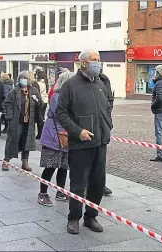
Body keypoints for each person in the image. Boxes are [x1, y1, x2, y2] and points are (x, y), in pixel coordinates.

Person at [55, 48, 112, 235]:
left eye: (99, 59)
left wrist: (107, 125)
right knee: (78, 183)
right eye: (94, 59)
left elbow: (107, 106)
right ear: (84, 63)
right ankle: (73, 218)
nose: (98, 62)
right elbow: (60, 113)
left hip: (100, 142)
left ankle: (91, 217)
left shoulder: (101, 83)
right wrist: (78, 131)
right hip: (81, 144)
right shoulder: (70, 85)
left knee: (97, 182)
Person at [38, 71, 75, 206]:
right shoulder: (57, 96)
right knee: (50, 166)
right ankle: (42, 193)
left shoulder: (69, 96)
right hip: (53, 136)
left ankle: (60, 191)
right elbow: (61, 115)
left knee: (63, 166)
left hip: (65, 136)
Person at [2, 71, 43, 172]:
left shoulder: (34, 91)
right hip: (17, 120)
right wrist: (10, 117)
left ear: (29, 80)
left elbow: (41, 104)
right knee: (12, 140)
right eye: (21, 78)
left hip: (29, 121)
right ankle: (6, 160)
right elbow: (7, 104)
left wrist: (37, 101)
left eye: (25, 78)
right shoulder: (14, 91)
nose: (23, 81)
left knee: (27, 141)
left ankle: (25, 162)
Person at [98, 67, 114, 196]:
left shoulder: (104, 80)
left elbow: (109, 101)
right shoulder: (77, 83)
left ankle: (100, 184)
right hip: (86, 126)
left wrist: (108, 121)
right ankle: (86, 185)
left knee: (101, 160)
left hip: (103, 126)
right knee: (87, 159)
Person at [35, 70, 48, 139]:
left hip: (40, 101)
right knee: (42, 117)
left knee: (39, 118)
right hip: (45, 101)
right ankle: (42, 133)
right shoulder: (46, 83)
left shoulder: (37, 83)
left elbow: (37, 93)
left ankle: (40, 134)